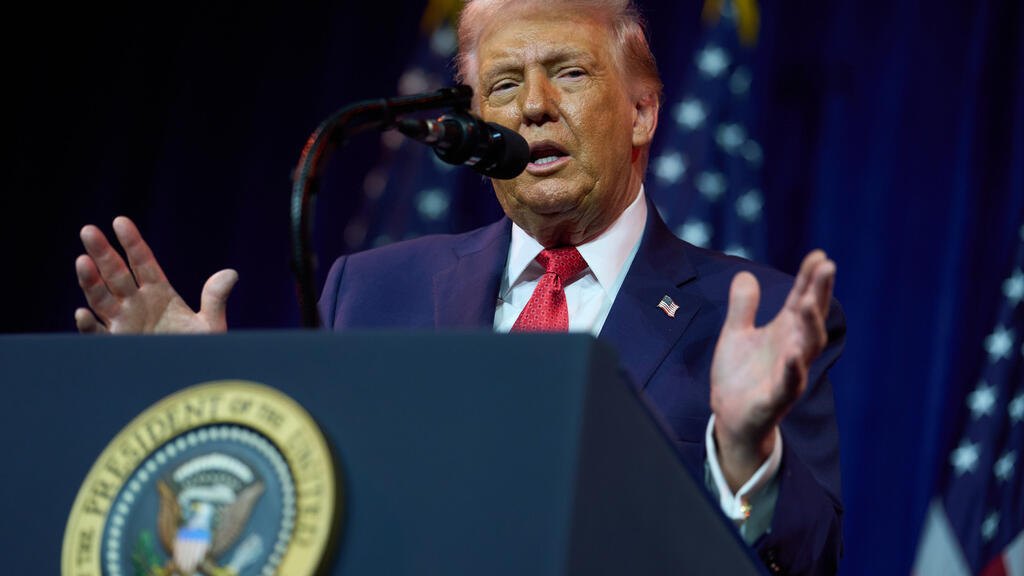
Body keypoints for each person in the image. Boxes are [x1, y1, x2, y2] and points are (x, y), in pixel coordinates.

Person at [74, 1, 843, 574]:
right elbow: (311, 512)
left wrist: (745, 453)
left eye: (569, 73)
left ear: (642, 112)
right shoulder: (372, 292)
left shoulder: (757, 316)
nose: (533, 105)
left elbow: (810, 559)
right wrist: (208, 405)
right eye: (503, 84)